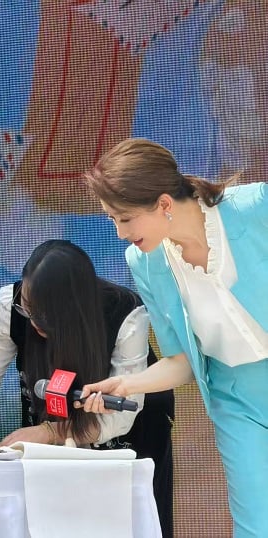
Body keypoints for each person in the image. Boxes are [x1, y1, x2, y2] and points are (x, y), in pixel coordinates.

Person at [81, 137, 268, 537]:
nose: (119, 233)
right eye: (112, 220)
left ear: (164, 203)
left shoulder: (256, 207)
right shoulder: (144, 262)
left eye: (125, 219)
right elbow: (180, 361)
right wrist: (126, 384)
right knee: (256, 527)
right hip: (238, 401)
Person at [0, 240, 175, 537]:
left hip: (127, 439)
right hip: (49, 442)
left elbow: (122, 418)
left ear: (75, 308)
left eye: (45, 315)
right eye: (28, 306)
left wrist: (49, 432)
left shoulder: (125, 314)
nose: (33, 320)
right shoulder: (12, 306)